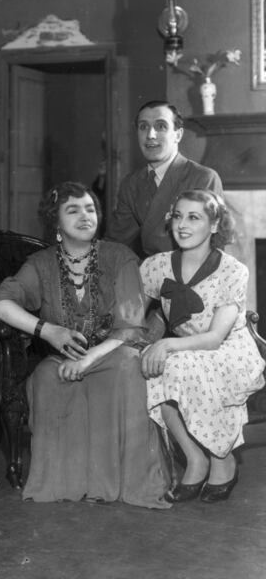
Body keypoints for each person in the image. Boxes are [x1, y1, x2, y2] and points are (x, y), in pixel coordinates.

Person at [0, 181, 170, 508]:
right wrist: (47, 330)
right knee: (45, 377)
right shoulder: (40, 264)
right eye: (73, 210)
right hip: (63, 357)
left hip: (115, 351)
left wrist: (86, 361)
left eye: (90, 208)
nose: (85, 216)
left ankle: (121, 484)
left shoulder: (119, 256)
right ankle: (67, 484)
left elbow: (130, 328)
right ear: (56, 222)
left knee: (129, 369)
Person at [139, 189, 265, 503]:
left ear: (213, 225)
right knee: (150, 366)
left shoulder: (233, 270)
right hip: (187, 349)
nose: (182, 224)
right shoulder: (157, 266)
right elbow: (130, 310)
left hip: (230, 350)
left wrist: (166, 344)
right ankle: (194, 458)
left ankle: (223, 461)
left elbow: (215, 337)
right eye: (178, 216)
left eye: (194, 217)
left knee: (175, 362)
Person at [106, 100, 223, 259]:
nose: (150, 135)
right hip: (149, 276)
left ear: (178, 135)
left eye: (161, 126)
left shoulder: (203, 178)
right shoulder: (131, 184)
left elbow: (213, 247)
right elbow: (116, 242)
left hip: (191, 278)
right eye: (143, 127)